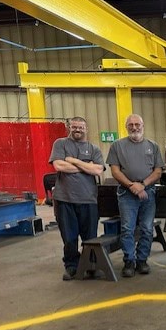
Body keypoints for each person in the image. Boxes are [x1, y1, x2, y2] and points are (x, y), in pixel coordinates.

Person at [107, 114, 164, 278]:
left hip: (148, 193)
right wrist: (132, 186)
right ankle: (129, 262)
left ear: (143, 126)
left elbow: (158, 171)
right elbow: (115, 171)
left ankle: (142, 260)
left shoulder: (153, 146)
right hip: (126, 194)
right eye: (131, 124)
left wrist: (142, 185)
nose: (134, 127)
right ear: (126, 127)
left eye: (137, 124)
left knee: (147, 228)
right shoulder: (117, 146)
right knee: (127, 229)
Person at [49, 116, 104, 281]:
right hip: (65, 199)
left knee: (90, 237)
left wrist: (72, 161)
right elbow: (58, 165)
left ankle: (91, 265)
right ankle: (71, 266)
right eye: (74, 127)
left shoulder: (94, 149)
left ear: (86, 129)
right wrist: (87, 166)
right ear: (69, 128)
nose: (77, 130)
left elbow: (98, 170)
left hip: (88, 199)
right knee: (69, 237)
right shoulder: (60, 144)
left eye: (81, 127)